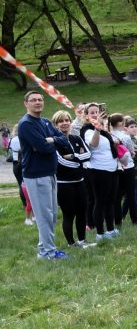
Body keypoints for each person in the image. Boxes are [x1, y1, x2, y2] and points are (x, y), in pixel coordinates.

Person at [18, 92, 71, 259]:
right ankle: (49, 252)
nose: (37, 102)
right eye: (33, 100)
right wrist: (50, 142)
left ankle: (44, 249)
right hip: (36, 175)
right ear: (26, 103)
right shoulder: (26, 124)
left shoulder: (45, 121)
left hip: (50, 172)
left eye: (40, 99)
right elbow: (43, 148)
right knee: (44, 216)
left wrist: (51, 140)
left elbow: (64, 140)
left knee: (52, 214)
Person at [52, 110, 93, 248]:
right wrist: (79, 161)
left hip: (80, 181)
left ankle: (82, 240)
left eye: (67, 120)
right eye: (60, 121)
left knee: (82, 212)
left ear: (70, 122)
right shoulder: (54, 141)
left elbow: (88, 155)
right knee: (69, 214)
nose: (64, 123)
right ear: (55, 125)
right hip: (64, 184)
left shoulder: (76, 138)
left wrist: (74, 157)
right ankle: (71, 243)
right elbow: (61, 161)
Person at [80, 103, 120, 241]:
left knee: (110, 201)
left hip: (112, 168)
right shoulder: (87, 129)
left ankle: (110, 229)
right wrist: (97, 128)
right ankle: (100, 233)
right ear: (86, 116)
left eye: (97, 111)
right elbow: (94, 144)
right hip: (98, 169)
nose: (95, 114)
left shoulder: (103, 129)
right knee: (100, 201)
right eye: (92, 112)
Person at [10, 126, 34, 225]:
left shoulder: (13, 139)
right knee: (25, 186)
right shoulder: (23, 139)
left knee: (21, 185)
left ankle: (27, 205)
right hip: (22, 163)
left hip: (16, 164)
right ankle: (28, 206)